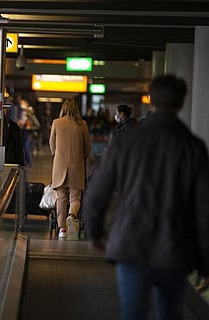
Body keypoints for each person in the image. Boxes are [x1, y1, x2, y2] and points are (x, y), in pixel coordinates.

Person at [83, 74, 209, 320]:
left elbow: (97, 190)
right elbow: (204, 209)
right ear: (182, 102)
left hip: (130, 243)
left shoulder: (126, 140)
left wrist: (95, 233)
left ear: (150, 100)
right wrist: (205, 260)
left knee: (133, 314)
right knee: (170, 314)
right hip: (175, 247)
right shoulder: (193, 147)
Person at [49, 98, 91, 239]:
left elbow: (52, 145)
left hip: (59, 166)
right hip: (76, 166)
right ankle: (71, 216)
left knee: (61, 198)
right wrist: (83, 156)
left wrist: (57, 155)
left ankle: (62, 229)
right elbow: (87, 148)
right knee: (75, 197)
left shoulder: (56, 123)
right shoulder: (82, 124)